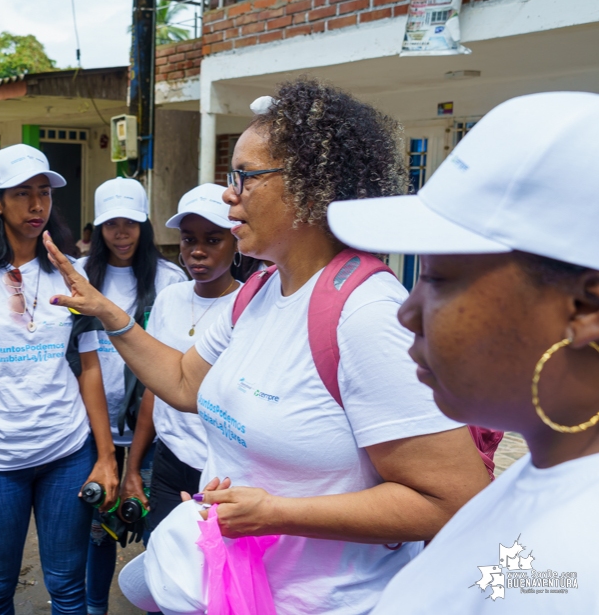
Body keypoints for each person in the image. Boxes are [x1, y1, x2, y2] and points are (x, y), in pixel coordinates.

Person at [43, 79, 489, 615]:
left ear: (309, 187)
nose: (229, 194)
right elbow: (185, 383)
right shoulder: (258, 290)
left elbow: (451, 500)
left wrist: (274, 513)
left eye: (244, 177)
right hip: (237, 588)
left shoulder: (365, 315)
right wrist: (109, 314)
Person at [327, 93, 599, 613]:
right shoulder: (546, 470)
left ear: (584, 307)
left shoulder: (578, 569)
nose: (407, 313)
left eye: (438, 280)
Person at [0, 144, 120, 615]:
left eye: (44, 193)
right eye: (22, 194)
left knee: (68, 588)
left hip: (66, 453)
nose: (37, 205)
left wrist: (105, 457)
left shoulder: (70, 275)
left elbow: (89, 368)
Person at [74, 176, 186, 615]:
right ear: (99, 228)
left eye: (131, 223)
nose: (121, 233)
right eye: (111, 224)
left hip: (152, 431)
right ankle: (93, 607)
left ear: (145, 226)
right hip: (91, 429)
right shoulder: (81, 277)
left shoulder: (169, 279)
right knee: (98, 532)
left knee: (157, 531)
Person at [120, 183, 241, 532]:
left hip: (224, 471)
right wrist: (133, 467)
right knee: (164, 559)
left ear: (235, 242)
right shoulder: (170, 297)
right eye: (189, 239)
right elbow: (155, 388)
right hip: (169, 461)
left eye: (213, 239)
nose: (198, 251)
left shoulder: (250, 305)